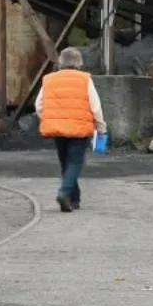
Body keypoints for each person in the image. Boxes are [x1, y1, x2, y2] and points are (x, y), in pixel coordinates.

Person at [35, 47, 106, 213]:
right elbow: (95, 106)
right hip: (79, 129)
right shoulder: (85, 79)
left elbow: (39, 105)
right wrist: (101, 126)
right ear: (78, 62)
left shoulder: (49, 79)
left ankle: (74, 199)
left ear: (61, 61)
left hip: (57, 128)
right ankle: (65, 192)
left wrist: (49, 117)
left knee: (65, 163)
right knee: (75, 162)